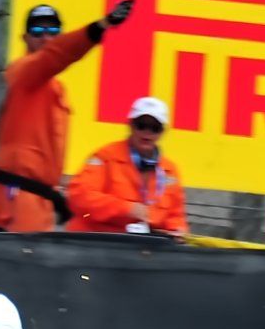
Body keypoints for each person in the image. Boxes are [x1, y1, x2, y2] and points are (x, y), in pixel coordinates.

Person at [0, 0, 133, 233]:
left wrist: (55, 195)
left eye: (53, 31)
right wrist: (100, 26)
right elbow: (57, 54)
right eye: (38, 31)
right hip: (19, 194)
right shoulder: (23, 71)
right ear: (25, 38)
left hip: (34, 196)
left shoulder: (53, 88)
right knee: (23, 255)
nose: (46, 38)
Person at [67, 96, 189, 235]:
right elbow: (79, 196)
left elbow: (176, 216)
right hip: (96, 239)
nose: (147, 132)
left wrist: (177, 231)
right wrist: (126, 208)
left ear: (162, 132)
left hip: (142, 244)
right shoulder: (105, 156)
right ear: (130, 125)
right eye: (141, 125)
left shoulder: (170, 171)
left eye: (155, 128)